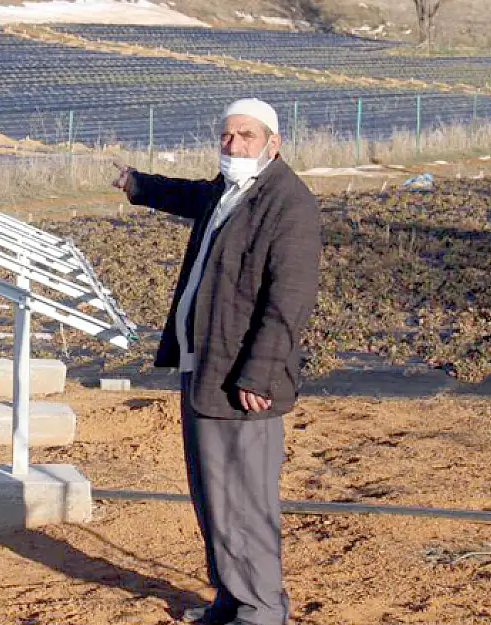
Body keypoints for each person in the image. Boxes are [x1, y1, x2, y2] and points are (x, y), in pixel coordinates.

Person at [111, 99, 321, 625]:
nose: (233, 146)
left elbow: (289, 299)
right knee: (214, 499)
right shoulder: (229, 191)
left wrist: (261, 372)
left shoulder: (288, 203)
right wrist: (138, 184)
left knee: (247, 503)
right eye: (226, 136)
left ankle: (261, 611)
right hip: (203, 366)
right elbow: (190, 195)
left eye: (245, 136)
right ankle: (230, 598)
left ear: (273, 142)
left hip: (243, 379)